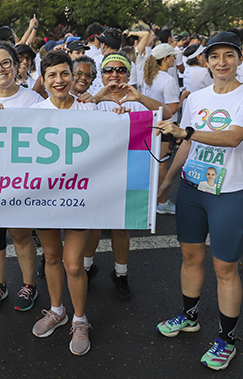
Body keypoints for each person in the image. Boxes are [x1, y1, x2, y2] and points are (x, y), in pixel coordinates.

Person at [155, 31, 243, 370]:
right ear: (205, 60)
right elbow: (186, 146)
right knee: (190, 257)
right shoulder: (196, 98)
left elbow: (233, 138)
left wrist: (185, 132)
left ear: (239, 60)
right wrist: (167, 182)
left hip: (229, 193)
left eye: (229, 56)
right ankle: (189, 316)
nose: (222, 62)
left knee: (224, 268)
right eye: (215, 56)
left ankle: (225, 339)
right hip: (192, 189)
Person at [83, 53, 171, 300]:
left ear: (128, 74)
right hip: (97, 172)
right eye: (108, 70)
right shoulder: (95, 100)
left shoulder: (137, 100)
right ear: (101, 75)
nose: (114, 74)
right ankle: (87, 267)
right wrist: (99, 96)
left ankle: (121, 273)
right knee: (93, 225)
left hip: (127, 171)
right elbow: (74, 115)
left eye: (120, 70)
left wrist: (140, 99)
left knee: (121, 227)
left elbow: (168, 113)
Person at [28, 50, 93, 355]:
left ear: (74, 76)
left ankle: (80, 320)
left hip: (80, 198)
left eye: (64, 73)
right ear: (43, 79)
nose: (59, 80)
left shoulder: (90, 111)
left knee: (73, 263)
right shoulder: (33, 112)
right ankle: (57, 310)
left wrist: (121, 120)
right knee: (52, 257)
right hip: (44, 198)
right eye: (52, 75)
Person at [0, 42, 43, 312]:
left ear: (17, 66)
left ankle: (28, 285)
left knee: (21, 233)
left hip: (21, 181)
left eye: (5, 63)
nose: (0, 69)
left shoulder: (33, 101)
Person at [140, 43, 181, 215]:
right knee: (162, 166)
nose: (175, 59)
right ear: (166, 59)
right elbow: (171, 108)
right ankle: (161, 201)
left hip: (149, 124)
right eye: (173, 56)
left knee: (152, 165)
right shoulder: (168, 80)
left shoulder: (147, 75)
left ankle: (152, 199)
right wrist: (184, 97)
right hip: (165, 127)